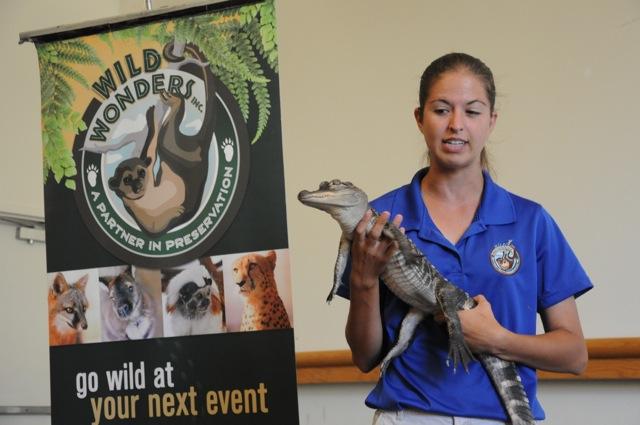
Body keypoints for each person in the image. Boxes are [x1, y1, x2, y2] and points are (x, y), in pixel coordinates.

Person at [337, 53, 592, 424]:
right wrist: (362, 278)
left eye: (472, 112)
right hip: (408, 415)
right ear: (419, 119)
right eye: (441, 110)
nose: (457, 125)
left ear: (491, 121)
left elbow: (574, 355)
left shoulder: (531, 222)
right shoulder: (381, 218)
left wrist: (496, 339)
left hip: (503, 417)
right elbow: (364, 357)